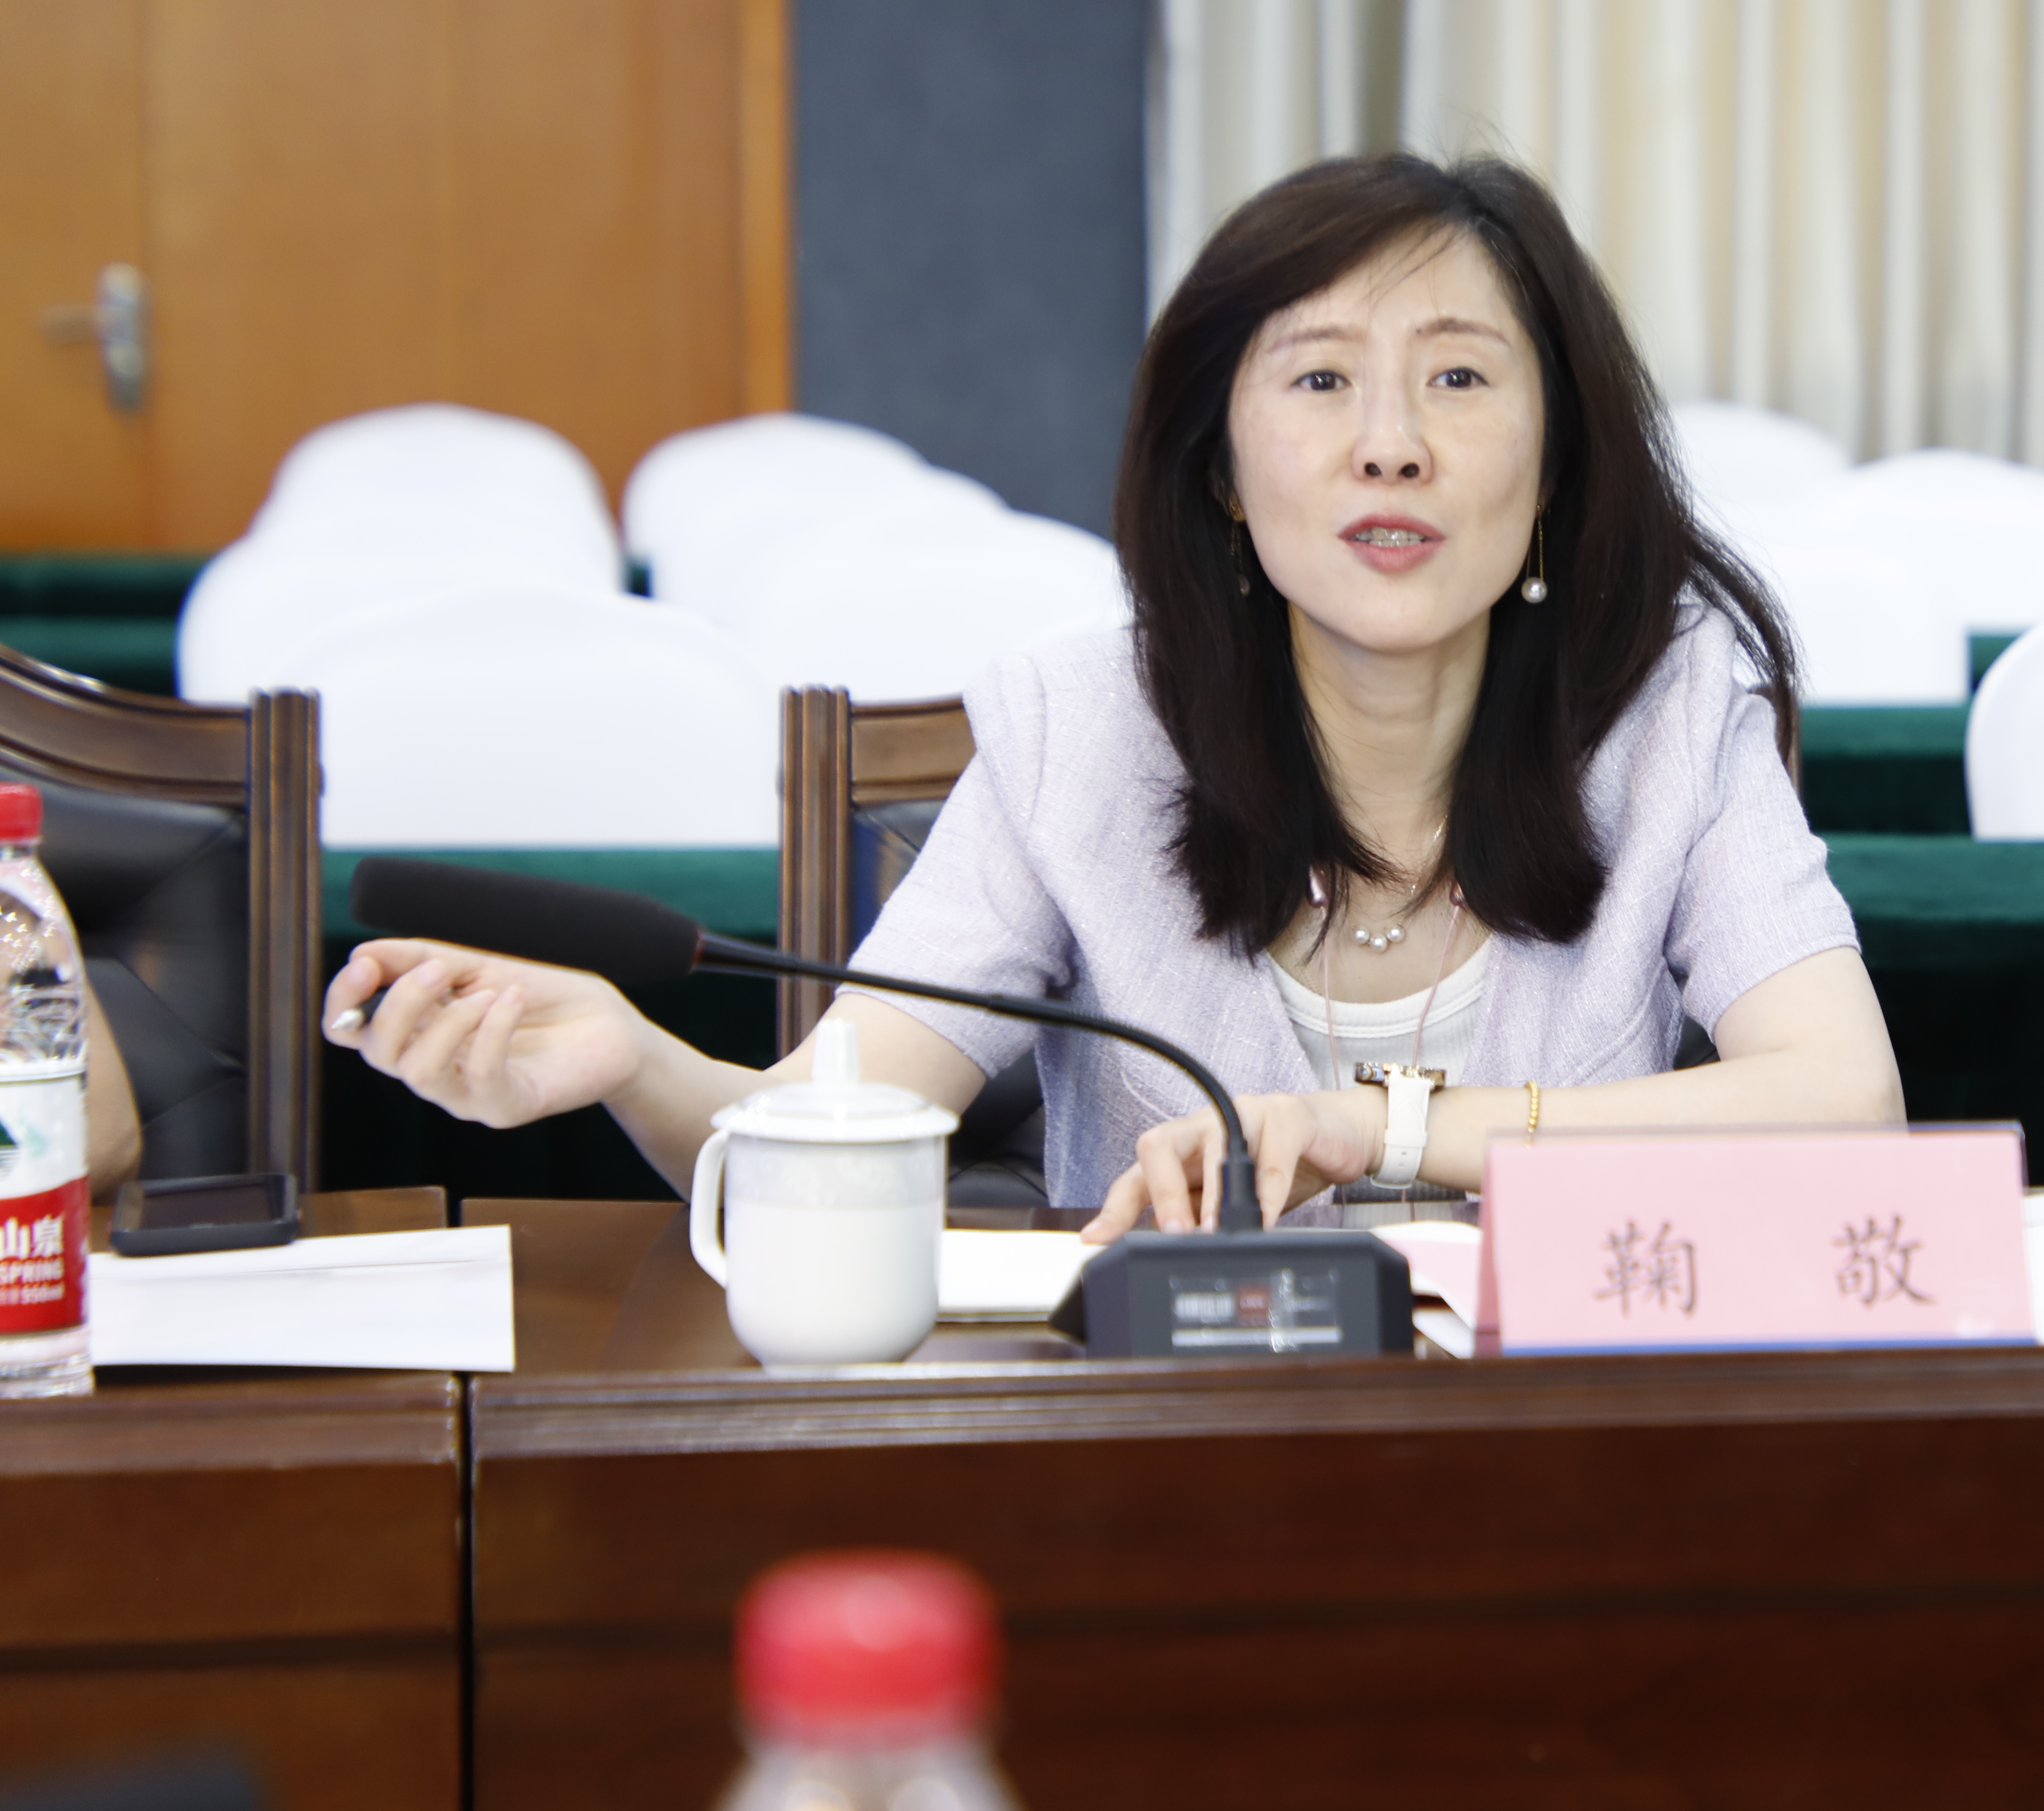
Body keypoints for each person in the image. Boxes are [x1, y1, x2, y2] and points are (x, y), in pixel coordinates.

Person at [322, 154, 1903, 1236]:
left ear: (1554, 463)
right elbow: (813, 1155)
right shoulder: (1077, 733)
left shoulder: (1671, 720)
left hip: (1565, 1458)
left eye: (1461, 378)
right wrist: (638, 1064)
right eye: (1321, 379)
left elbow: (1848, 1108)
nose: (1393, 445)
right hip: (1170, 1471)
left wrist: (1385, 1132)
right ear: (1222, 468)